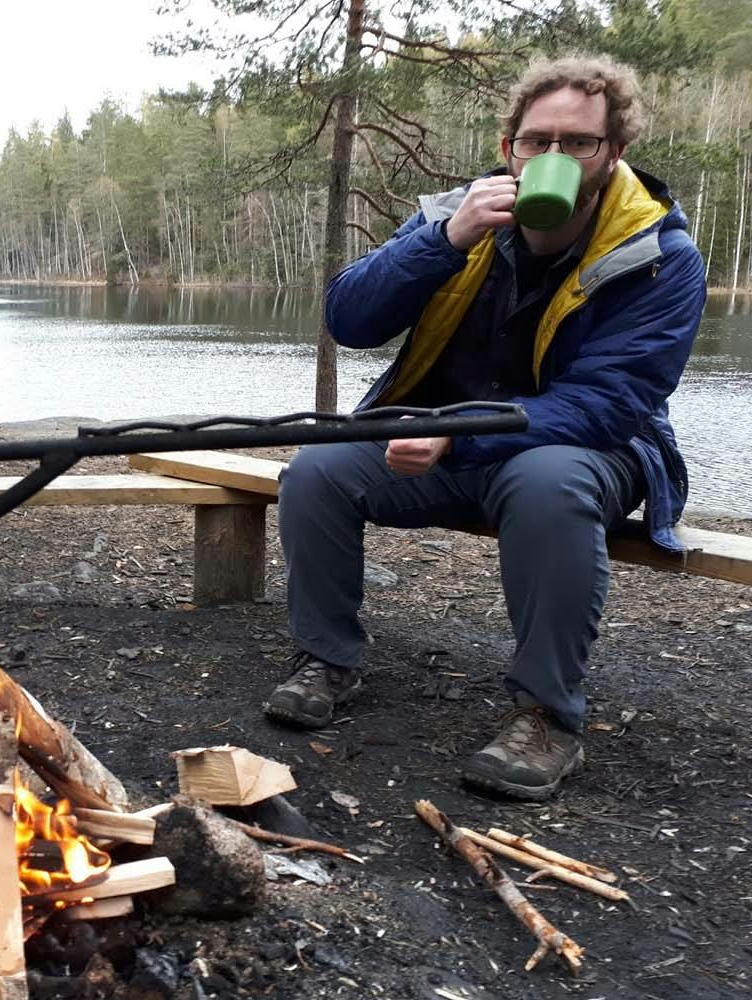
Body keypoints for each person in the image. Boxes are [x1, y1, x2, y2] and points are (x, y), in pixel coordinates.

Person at [265, 54, 708, 801]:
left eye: (578, 143)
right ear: (510, 148)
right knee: (318, 471)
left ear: (614, 153)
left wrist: (458, 434)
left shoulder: (659, 253)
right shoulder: (455, 215)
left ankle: (546, 716)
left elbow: (609, 402)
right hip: (456, 441)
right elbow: (350, 319)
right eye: (538, 141)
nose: (554, 157)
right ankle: (328, 659)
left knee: (546, 480)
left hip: (593, 451)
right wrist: (441, 241)